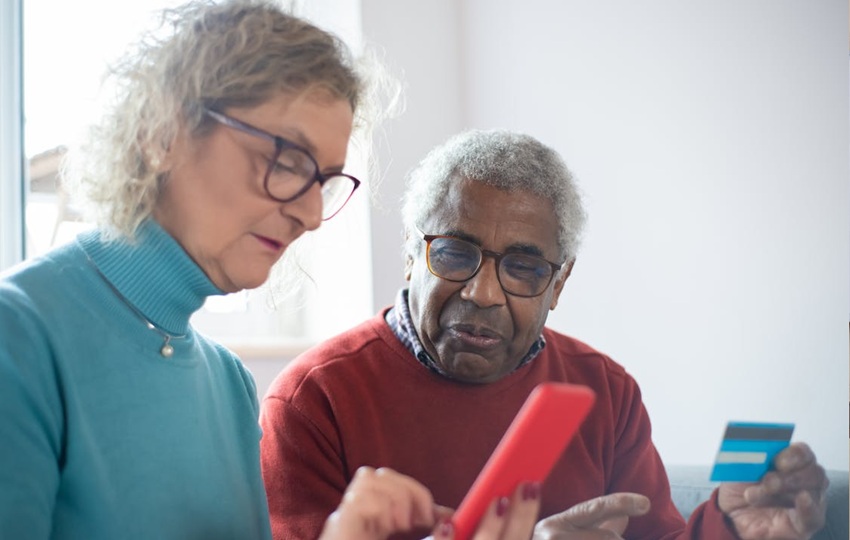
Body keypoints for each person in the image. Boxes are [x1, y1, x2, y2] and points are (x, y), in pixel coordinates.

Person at [0, 2, 543, 538]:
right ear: (161, 133)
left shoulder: (227, 383)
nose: (309, 215)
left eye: (324, 182)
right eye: (286, 161)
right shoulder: (19, 336)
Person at [259, 128, 830, 540]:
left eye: (524, 268)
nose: (483, 293)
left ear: (558, 285)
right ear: (412, 255)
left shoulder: (605, 392)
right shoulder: (314, 399)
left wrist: (731, 527)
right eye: (455, 253)